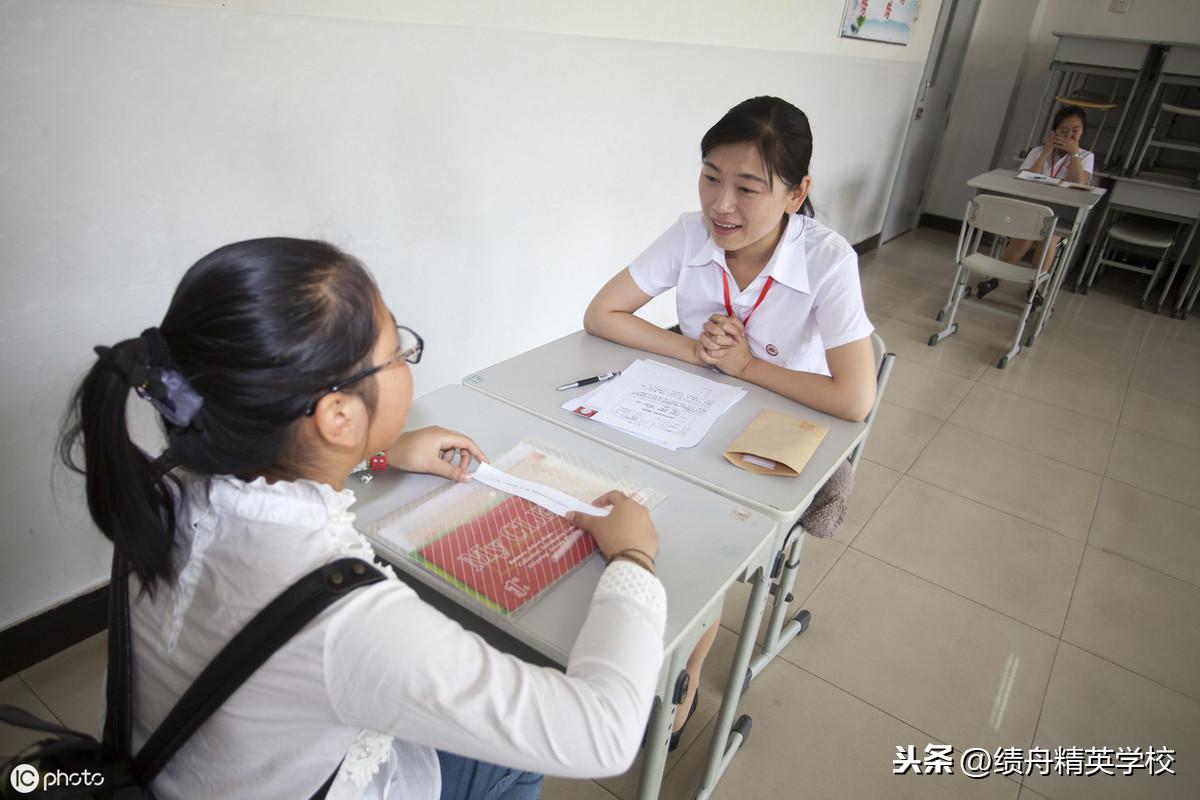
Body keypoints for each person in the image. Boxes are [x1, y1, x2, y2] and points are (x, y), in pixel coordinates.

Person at [59, 238, 666, 799]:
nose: (407, 361)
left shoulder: (165, 488)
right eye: (397, 352)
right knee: (514, 758)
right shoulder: (344, 619)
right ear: (337, 416)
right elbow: (602, 734)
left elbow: (276, 483)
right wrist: (633, 558)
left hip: (194, 771)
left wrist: (374, 457)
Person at [583, 96, 877, 742]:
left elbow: (856, 398)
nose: (722, 205)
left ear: (798, 193)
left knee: (704, 537)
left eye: (748, 188)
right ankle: (636, 623)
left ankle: (684, 668)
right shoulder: (692, 235)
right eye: (711, 177)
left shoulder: (827, 261)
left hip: (779, 430)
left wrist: (745, 368)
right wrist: (693, 350)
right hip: (686, 411)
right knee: (617, 484)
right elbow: (602, 314)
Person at [976, 105, 1093, 302]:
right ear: (1054, 132)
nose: (1070, 135)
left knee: (1050, 238)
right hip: (1030, 211)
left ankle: (1035, 287)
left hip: (1061, 219)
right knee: (1026, 237)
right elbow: (1024, 179)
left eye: (1076, 130)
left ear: (1083, 131)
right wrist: (1046, 153)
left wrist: (1073, 154)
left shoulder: (1086, 157)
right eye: (1064, 131)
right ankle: (994, 279)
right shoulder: (1038, 151)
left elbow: (1079, 183)